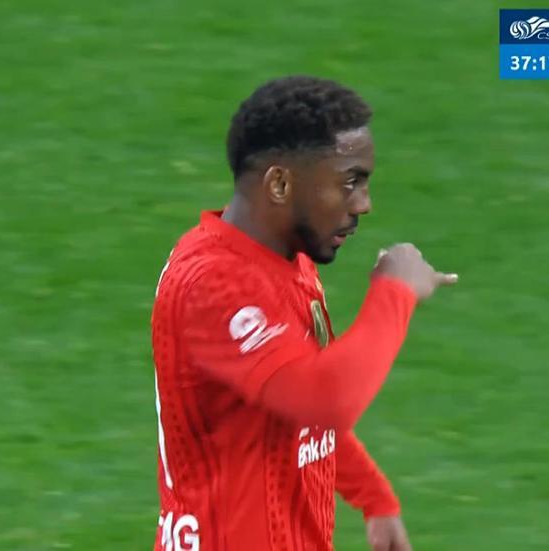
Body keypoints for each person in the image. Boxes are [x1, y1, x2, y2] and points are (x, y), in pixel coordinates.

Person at [151, 75, 457, 551]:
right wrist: (395, 292)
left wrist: (372, 496)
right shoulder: (214, 282)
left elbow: (295, 412)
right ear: (279, 183)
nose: (364, 204)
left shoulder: (286, 262)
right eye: (349, 182)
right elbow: (323, 399)